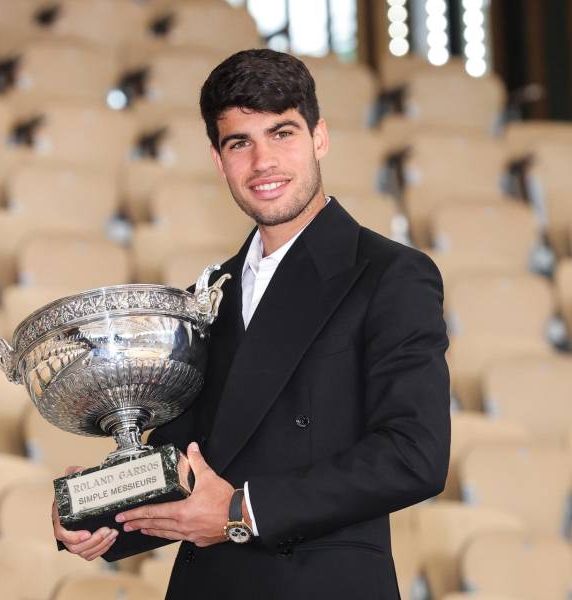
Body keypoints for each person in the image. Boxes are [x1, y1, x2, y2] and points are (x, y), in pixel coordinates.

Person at [53, 48, 450, 599]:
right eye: (241, 142)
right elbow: (183, 462)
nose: (263, 162)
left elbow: (414, 454)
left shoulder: (391, 274)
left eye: (282, 133)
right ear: (220, 161)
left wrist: (242, 509)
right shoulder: (210, 293)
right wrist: (97, 513)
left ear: (320, 138)